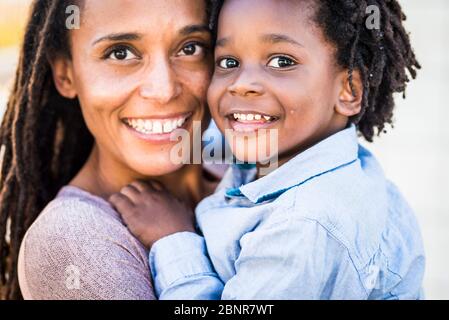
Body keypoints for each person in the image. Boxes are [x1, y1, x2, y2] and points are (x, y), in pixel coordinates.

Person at [111, 0, 426, 299]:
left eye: (281, 61)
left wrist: (172, 239)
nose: (241, 83)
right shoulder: (306, 157)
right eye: (228, 62)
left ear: (350, 89)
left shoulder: (304, 226)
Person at [0, 0, 218, 300]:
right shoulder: (74, 238)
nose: (164, 89)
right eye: (121, 52)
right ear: (66, 74)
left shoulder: (248, 177)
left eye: (191, 48)